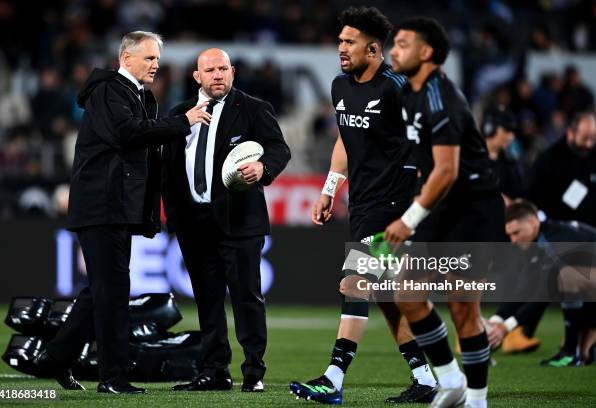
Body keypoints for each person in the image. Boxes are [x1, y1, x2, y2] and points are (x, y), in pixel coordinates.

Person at [33, 31, 207, 394]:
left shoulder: (136, 95)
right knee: (111, 293)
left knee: (102, 292)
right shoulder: (111, 90)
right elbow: (128, 133)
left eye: (157, 59)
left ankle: (55, 358)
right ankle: (111, 377)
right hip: (102, 206)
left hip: (113, 207)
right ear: (126, 59)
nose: (156, 65)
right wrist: (182, 123)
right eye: (149, 58)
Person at [289, 7, 437, 405]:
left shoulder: (397, 88)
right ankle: (427, 378)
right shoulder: (340, 86)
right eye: (340, 40)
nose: (340, 48)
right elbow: (344, 139)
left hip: (392, 207)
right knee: (388, 297)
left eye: (348, 42)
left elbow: (427, 143)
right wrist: (329, 188)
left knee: (355, 282)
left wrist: (414, 201)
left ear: (373, 49)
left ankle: (333, 378)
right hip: (363, 203)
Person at [388, 17, 506, 408]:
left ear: (426, 53)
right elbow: (428, 165)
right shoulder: (410, 94)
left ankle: (476, 399)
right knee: (406, 290)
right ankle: (451, 380)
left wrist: (409, 219)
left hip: (472, 208)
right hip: (442, 203)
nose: (394, 50)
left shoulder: (442, 98)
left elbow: (447, 170)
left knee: (462, 307)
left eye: (403, 44)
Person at [162, 48, 290, 393]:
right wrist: (176, 219)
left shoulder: (252, 108)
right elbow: (170, 171)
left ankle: (253, 372)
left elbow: (280, 149)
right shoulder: (179, 115)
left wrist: (264, 168)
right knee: (207, 299)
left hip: (240, 221)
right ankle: (214, 371)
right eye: (210, 69)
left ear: (232, 72)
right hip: (194, 223)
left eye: (223, 68)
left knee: (246, 297)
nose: (218, 75)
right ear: (197, 76)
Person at [500, 199, 596, 366]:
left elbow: (542, 296)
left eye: (516, 233)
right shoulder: (540, 240)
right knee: (585, 352)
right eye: (510, 235)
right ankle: (577, 350)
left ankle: (570, 351)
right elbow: (525, 287)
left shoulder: (555, 241)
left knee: (566, 277)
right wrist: (497, 320)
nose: (513, 240)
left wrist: (506, 327)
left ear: (533, 222)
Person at [529, 110, 596, 228]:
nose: (589, 144)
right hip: (562, 233)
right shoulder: (549, 160)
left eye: (593, 138)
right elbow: (535, 200)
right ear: (570, 133)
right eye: (584, 138)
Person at [481, 105, 525, 204]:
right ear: (490, 128)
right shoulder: (471, 158)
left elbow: (518, 194)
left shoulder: (510, 162)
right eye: (506, 130)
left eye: (512, 132)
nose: (511, 137)